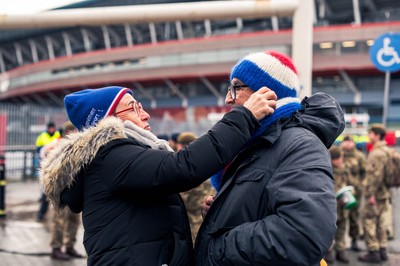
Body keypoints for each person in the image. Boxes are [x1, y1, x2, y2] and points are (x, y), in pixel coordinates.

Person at [39, 85, 277, 265]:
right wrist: (244, 116)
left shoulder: (114, 156)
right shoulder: (112, 156)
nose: (145, 115)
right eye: (134, 107)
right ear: (108, 121)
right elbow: (184, 166)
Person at [195, 51, 345, 266]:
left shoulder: (299, 145)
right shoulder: (257, 142)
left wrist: (218, 246)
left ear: (267, 93)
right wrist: (221, 212)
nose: (229, 98)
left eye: (236, 87)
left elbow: (303, 236)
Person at [40, 121, 84, 260]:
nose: (74, 133)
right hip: (60, 190)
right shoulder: (57, 144)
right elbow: (44, 155)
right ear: (67, 132)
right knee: (58, 220)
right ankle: (56, 248)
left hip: (74, 188)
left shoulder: (78, 144)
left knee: (74, 219)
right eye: (72, 131)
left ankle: (69, 247)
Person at [359, 124, 390, 263]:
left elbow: (374, 176)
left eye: (370, 133)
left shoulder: (377, 153)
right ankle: (382, 250)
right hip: (383, 193)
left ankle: (373, 251)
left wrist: (370, 194)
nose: (368, 136)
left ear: (377, 135)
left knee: (369, 221)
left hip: (375, 194)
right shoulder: (387, 150)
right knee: (380, 223)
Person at [177, 132, 216, 243]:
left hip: (194, 220)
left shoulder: (184, 166)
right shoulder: (205, 161)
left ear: (181, 145)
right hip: (205, 216)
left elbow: (186, 201)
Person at [324, 146, 350, 264]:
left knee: (342, 227)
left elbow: (350, 183)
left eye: (341, 158)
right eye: (337, 158)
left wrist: (350, 192)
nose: (340, 161)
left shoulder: (344, 169)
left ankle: (341, 250)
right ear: (332, 159)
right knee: (330, 229)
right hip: (331, 205)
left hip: (343, 204)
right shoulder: (326, 170)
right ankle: (329, 251)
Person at [341, 134, 366, 251]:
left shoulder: (359, 156)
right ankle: (338, 245)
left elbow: (365, 173)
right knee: (339, 218)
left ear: (353, 143)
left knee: (354, 217)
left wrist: (361, 186)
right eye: (345, 141)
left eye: (349, 142)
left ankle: (354, 241)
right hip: (340, 193)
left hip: (355, 192)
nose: (347, 144)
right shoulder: (337, 155)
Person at [36, 121, 60, 221]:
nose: (52, 130)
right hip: (44, 165)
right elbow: (38, 149)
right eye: (50, 128)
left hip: (54, 165)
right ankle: (41, 214)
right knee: (45, 191)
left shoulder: (58, 135)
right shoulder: (42, 136)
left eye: (52, 128)